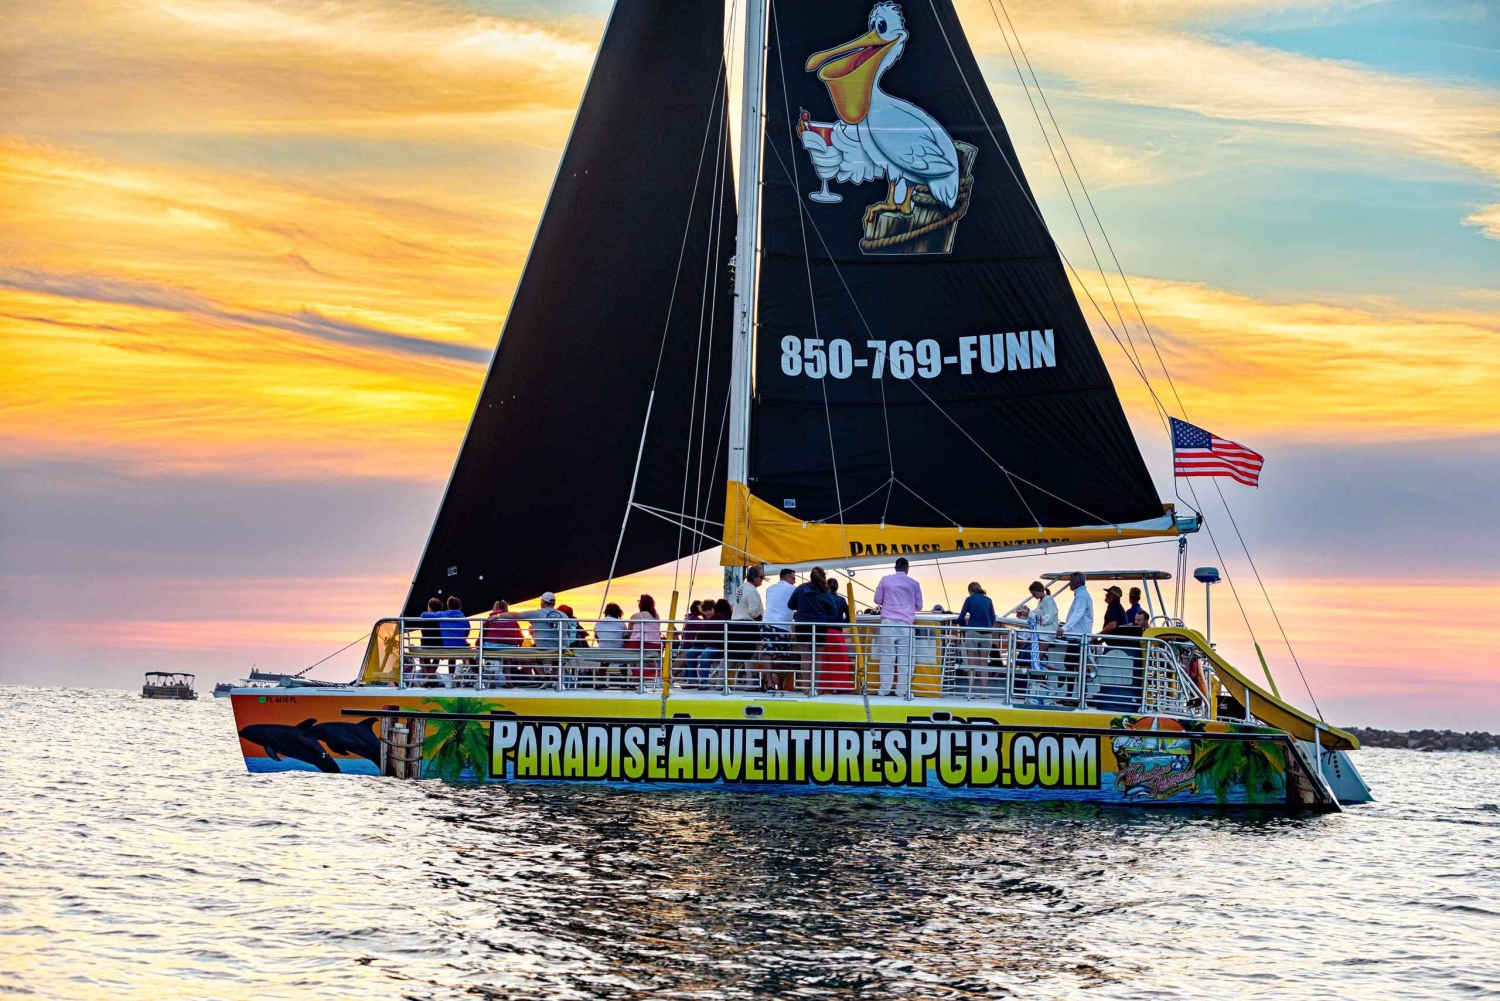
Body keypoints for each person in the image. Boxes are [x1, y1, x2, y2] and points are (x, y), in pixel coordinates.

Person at [873, 557, 923, 698]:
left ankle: (884, 689)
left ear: (895, 567)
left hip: (888, 623)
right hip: (906, 624)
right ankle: (901, 690)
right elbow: (919, 606)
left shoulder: (885, 580)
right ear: (907, 568)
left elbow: (877, 600)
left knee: (887, 657)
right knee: (905, 659)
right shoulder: (914, 584)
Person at [786, 566, 840, 691]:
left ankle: (805, 686)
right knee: (817, 657)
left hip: (802, 625)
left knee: (805, 657)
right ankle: (816, 686)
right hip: (820, 626)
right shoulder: (824, 591)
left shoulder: (800, 589)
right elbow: (833, 611)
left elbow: (790, 605)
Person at [955, 582, 997, 695]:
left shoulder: (969, 599)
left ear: (970, 591)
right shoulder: (988, 600)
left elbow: (960, 618)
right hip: (987, 634)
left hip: (972, 633)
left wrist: (965, 629)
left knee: (971, 663)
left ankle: (971, 692)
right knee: (983, 664)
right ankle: (984, 693)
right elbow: (993, 618)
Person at [729, 565, 766, 689]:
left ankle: (720, 680)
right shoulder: (752, 591)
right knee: (751, 654)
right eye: (761, 577)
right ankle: (751, 682)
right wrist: (762, 623)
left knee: (733, 654)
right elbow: (754, 612)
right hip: (747, 625)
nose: (762, 579)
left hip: (735, 623)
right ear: (754, 577)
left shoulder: (742, 587)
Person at [761, 568, 797, 691]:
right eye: (793, 578)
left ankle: (769, 681)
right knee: (784, 656)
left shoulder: (769, 589)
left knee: (767, 652)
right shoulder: (793, 589)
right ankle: (772, 680)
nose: (794, 581)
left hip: (766, 622)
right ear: (787, 577)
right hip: (782, 625)